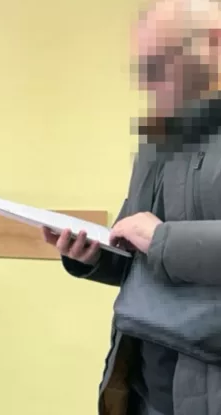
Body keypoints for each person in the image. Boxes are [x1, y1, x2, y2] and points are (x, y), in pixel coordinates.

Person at [43, 0, 221, 414]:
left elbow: (156, 241)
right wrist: (92, 255)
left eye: (160, 64)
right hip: (142, 382)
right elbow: (136, 250)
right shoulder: (160, 137)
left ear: (213, 44)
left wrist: (162, 239)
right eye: (143, 67)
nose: (147, 82)